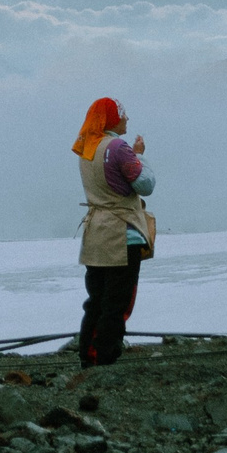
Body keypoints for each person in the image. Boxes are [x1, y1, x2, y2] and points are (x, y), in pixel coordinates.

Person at [72, 96, 155, 368]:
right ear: (112, 119)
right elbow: (145, 185)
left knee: (96, 298)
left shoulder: (86, 148)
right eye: (123, 114)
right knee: (117, 301)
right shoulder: (119, 148)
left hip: (96, 234)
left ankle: (88, 353)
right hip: (122, 234)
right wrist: (139, 154)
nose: (127, 119)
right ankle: (106, 355)